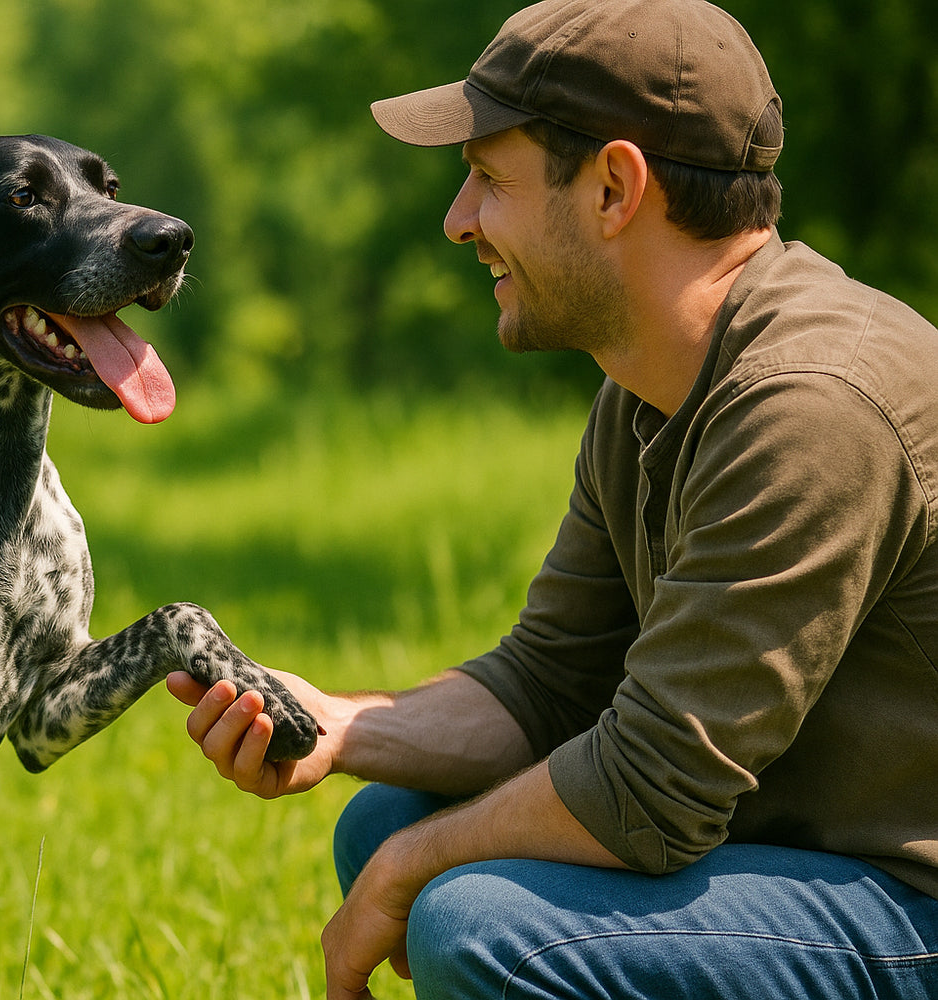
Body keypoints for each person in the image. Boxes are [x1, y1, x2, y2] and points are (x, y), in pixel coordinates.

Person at [165, 1, 938, 997]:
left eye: (488, 178)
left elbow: (653, 788)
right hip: (807, 859)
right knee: (386, 818)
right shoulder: (647, 389)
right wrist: (342, 725)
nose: (457, 222)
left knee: (477, 923)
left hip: (910, 895)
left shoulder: (814, 407)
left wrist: (411, 874)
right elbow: (549, 683)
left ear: (615, 186)